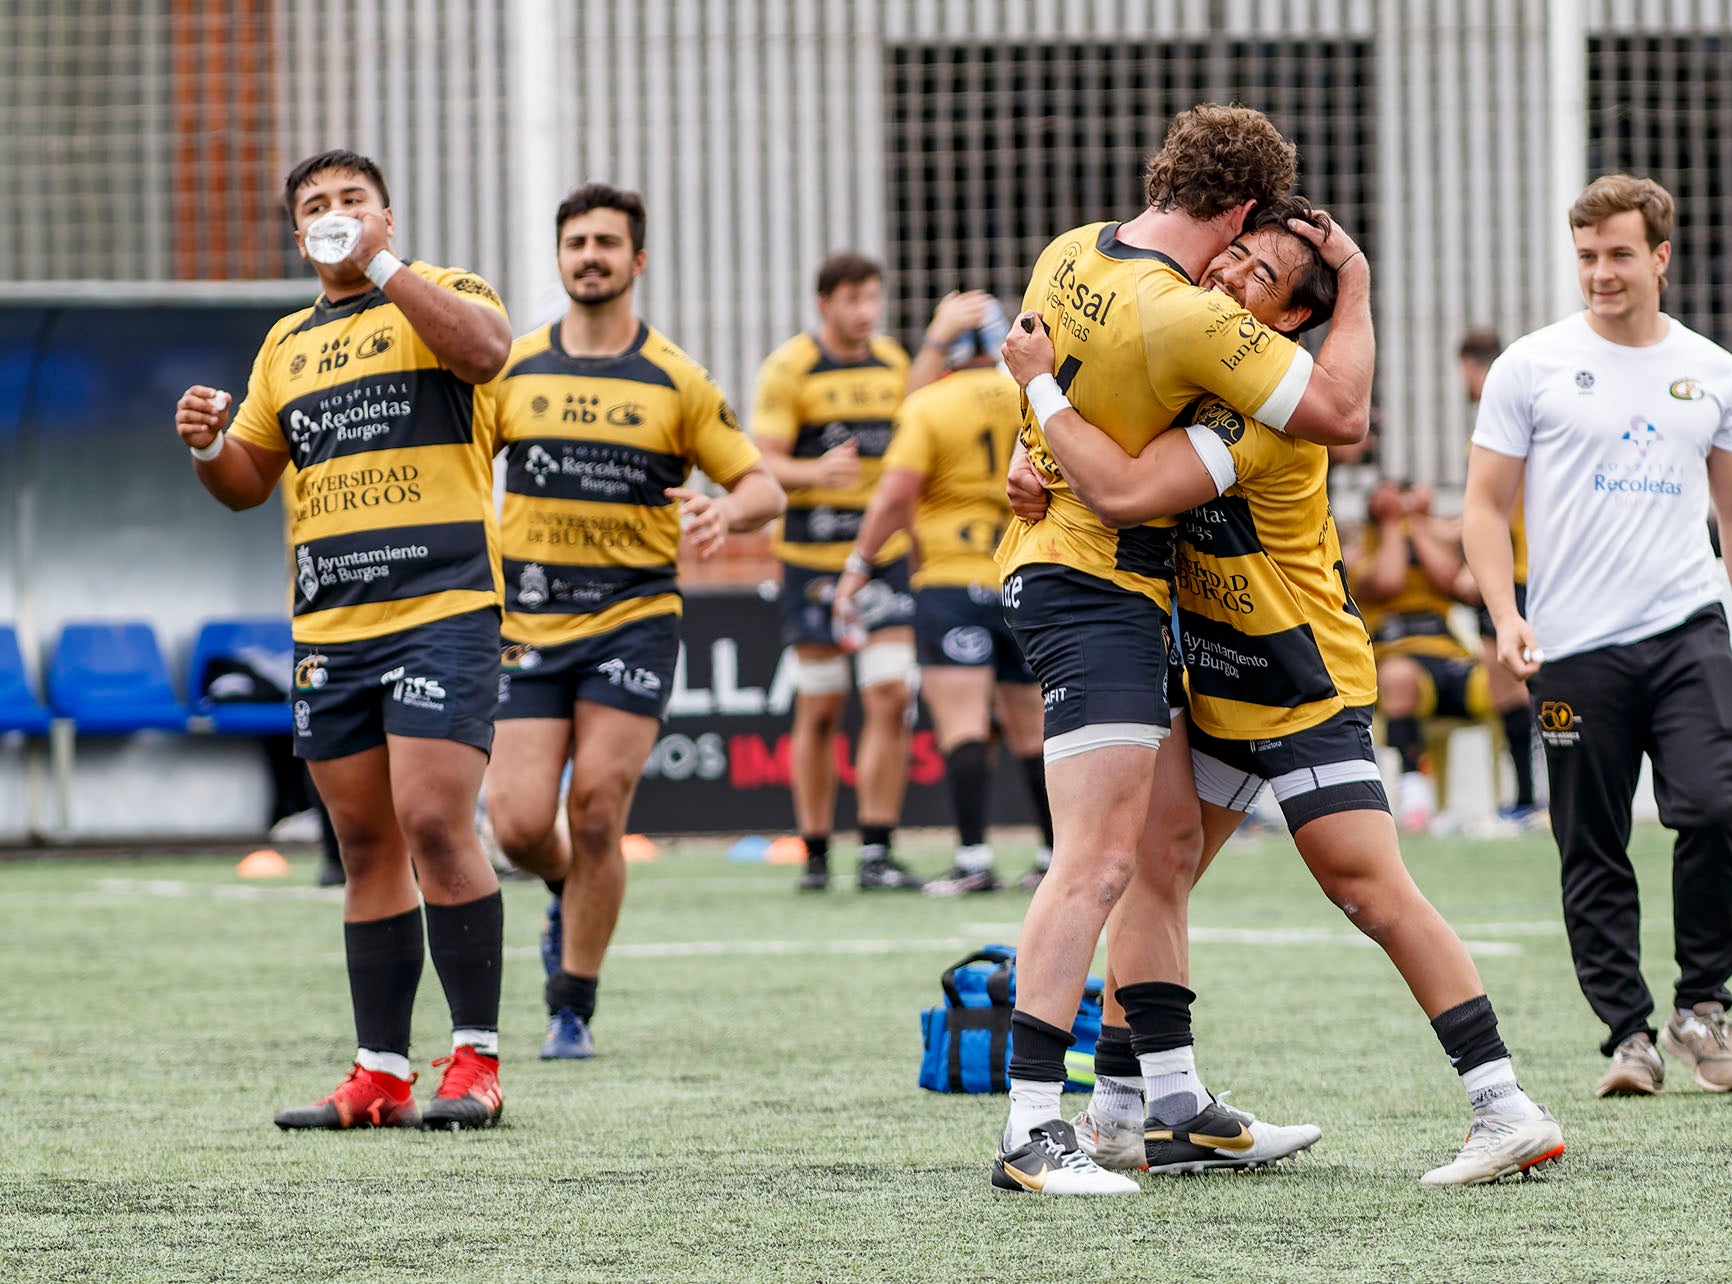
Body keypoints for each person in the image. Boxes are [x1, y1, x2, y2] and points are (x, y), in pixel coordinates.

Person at [1005, 198, 1563, 1187]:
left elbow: (1129, 486)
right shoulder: (1197, 361)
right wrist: (1028, 453)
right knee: (1154, 865)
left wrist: (1043, 404)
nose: (1224, 277)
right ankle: (1138, 1110)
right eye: (1227, 257)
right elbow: (1104, 424)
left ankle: (1502, 1105)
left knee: (1365, 886)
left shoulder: (1266, 412)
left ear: (1296, 319)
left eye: (1256, 276)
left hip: (1300, 682)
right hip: (1218, 678)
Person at [987, 102, 1375, 1197]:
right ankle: (1029, 1128)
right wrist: (1353, 284)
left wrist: (1024, 460)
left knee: (1149, 858)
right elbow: (1341, 411)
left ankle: (1163, 1103)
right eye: (1252, 243)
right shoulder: (1189, 318)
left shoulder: (1070, 250)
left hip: (1070, 567)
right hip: (1096, 589)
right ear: (1244, 209)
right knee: (1100, 863)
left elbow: (1027, 387)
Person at [173, 149, 513, 1130]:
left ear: (386, 215)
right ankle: (379, 1074)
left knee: (437, 821)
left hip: (442, 608)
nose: (332, 214)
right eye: (314, 206)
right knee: (363, 842)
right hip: (331, 625)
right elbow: (248, 483)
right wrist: (206, 445)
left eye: (349, 201)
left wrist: (384, 268)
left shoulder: (441, 291)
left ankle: (476, 1064)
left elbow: (487, 353)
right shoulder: (285, 343)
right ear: (295, 234)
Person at [481, 183, 784, 1059]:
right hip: (528, 622)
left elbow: (762, 483)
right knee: (521, 825)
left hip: (633, 617)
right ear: (559, 256)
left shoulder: (676, 378)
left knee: (601, 808)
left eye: (607, 243)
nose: (590, 256)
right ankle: (568, 888)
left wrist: (730, 515)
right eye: (576, 242)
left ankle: (571, 1001)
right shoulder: (513, 367)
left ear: (637, 260)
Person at [1464, 174, 1732, 1098]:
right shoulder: (1529, 367)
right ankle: (1630, 1035)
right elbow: (1484, 509)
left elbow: (1731, 515)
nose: (1601, 274)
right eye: (1586, 257)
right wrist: (1506, 617)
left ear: (1660, 256)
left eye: (1619, 255)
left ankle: (1704, 1005)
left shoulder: (1713, 367)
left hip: (1689, 627)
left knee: (1716, 808)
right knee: (1592, 841)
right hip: (1572, 644)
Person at [831, 295, 1055, 895]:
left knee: (961, 726)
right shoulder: (1037, 398)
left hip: (950, 577)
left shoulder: (929, 405)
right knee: (1033, 727)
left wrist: (858, 567)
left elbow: (895, 495)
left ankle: (974, 858)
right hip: (1021, 570)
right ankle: (1051, 857)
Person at [751, 256, 953, 891]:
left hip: (880, 562)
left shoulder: (893, 362)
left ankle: (875, 851)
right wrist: (816, 473)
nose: (865, 312)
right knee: (820, 706)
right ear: (825, 304)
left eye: (873, 298)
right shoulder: (791, 367)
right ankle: (815, 853)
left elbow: (910, 457)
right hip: (811, 560)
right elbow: (761, 463)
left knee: (891, 695)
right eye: (852, 300)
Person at [1351, 478, 1496, 831]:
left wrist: (1416, 523)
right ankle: (1415, 792)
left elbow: (1450, 579)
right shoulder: (1358, 552)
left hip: (1449, 658)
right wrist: (1390, 524)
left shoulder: (1428, 539)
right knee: (1399, 677)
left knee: (1504, 675)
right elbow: (1388, 581)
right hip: (1397, 663)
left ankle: (1524, 802)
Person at [1456, 329, 1540, 824]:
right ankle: (1528, 797)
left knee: (1515, 684)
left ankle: (1533, 796)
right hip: (1519, 569)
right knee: (1511, 686)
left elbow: (1498, 505)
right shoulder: (1510, 415)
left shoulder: (1502, 417)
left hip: (1517, 572)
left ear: (1472, 367)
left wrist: (1475, 562)